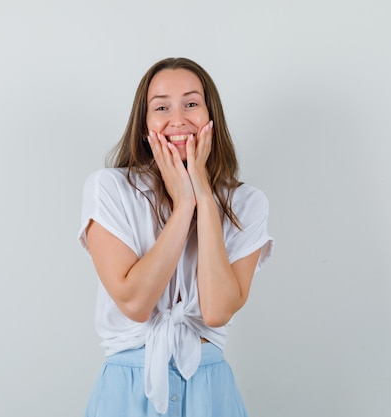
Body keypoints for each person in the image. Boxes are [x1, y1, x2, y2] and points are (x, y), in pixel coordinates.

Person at [78, 57, 274, 417]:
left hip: (209, 389)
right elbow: (136, 303)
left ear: (211, 117)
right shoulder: (109, 189)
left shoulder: (247, 203)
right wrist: (183, 205)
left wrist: (203, 193)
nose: (178, 118)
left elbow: (216, 311)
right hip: (128, 387)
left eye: (191, 104)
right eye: (162, 107)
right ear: (144, 125)